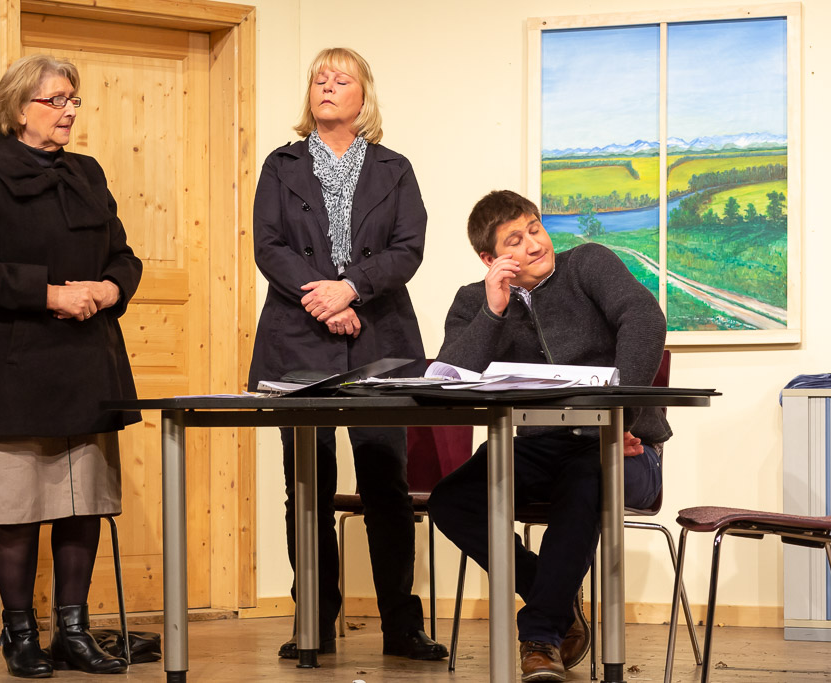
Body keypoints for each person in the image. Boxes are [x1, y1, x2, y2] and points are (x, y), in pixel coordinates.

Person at [0, 54, 143, 678]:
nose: (69, 111)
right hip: (12, 369)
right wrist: (50, 294)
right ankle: (20, 634)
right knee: (18, 509)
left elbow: (124, 257)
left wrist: (109, 289)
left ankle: (73, 633)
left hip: (87, 365)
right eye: (56, 100)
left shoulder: (88, 172)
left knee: (83, 505)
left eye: (73, 100)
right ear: (18, 107)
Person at [248, 47, 446, 661]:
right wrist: (324, 298)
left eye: (341, 79)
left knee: (386, 481)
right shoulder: (281, 164)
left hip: (378, 335)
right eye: (319, 78)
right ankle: (313, 621)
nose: (327, 86)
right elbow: (268, 245)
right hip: (298, 336)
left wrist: (352, 288)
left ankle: (401, 626)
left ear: (365, 97)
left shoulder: (395, 168)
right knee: (307, 485)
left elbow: (408, 248)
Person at [427, 190, 667, 682]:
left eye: (535, 229)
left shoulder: (588, 264)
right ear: (490, 260)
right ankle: (552, 594)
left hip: (626, 449)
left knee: (586, 478)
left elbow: (644, 317)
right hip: (538, 448)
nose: (535, 244)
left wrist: (618, 419)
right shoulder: (474, 301)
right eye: (515, 240)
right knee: (452, 500)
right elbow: (450, 378)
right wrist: (493, 311)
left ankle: (540, 637)